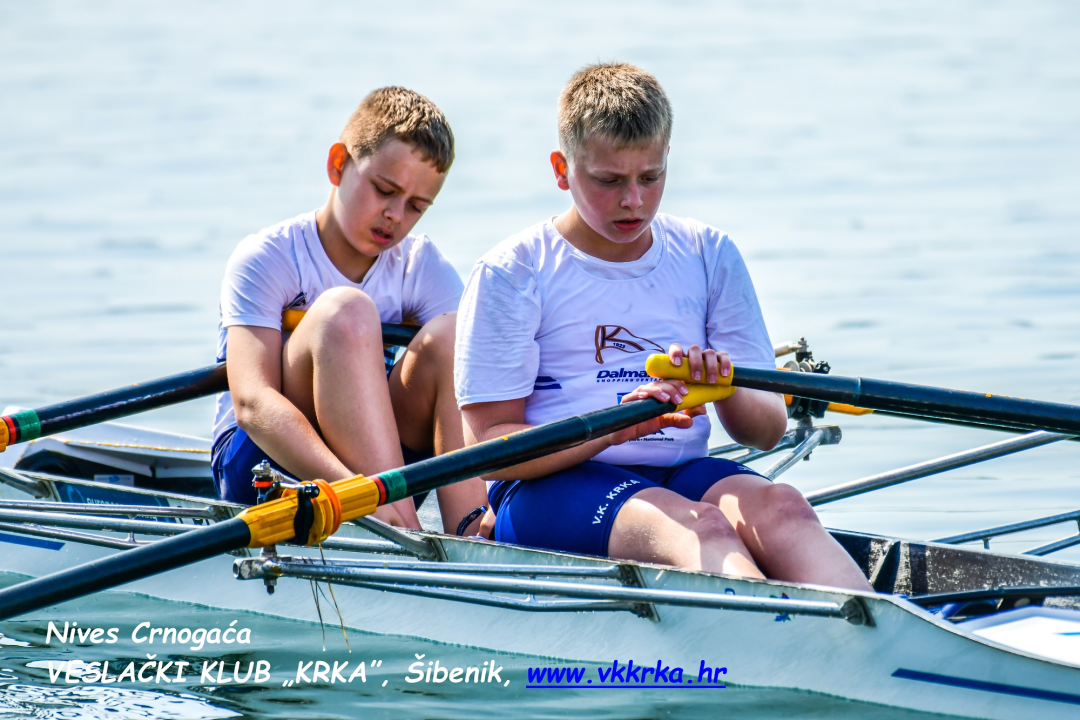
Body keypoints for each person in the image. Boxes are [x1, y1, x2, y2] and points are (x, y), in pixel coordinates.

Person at [455, 63, 871, 590]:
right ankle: (789, 636)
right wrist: (619, 426)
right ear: (562, 170)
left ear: (667, 158)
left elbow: (764, 432)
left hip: (681, 472)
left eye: (651, 178)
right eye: (609, 181)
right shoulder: (513, 271)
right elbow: (490, 449)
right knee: (702, 529)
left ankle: (880, 641)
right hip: (549, 486)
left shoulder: (707, 252)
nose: (634, 201)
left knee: (785, 507)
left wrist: (724, 386)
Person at [212, 87, 486, 533]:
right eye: (384, 190)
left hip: (378, 479)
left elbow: (478, 376)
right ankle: (404, 530)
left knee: (455, 335)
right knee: (345, 311)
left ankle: (473, 530)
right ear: (338, 164)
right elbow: (252, 403)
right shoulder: (267, 257)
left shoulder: (420, 265)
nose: (395, 215)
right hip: (262, 466)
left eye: (417, 206)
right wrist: (356, 496)